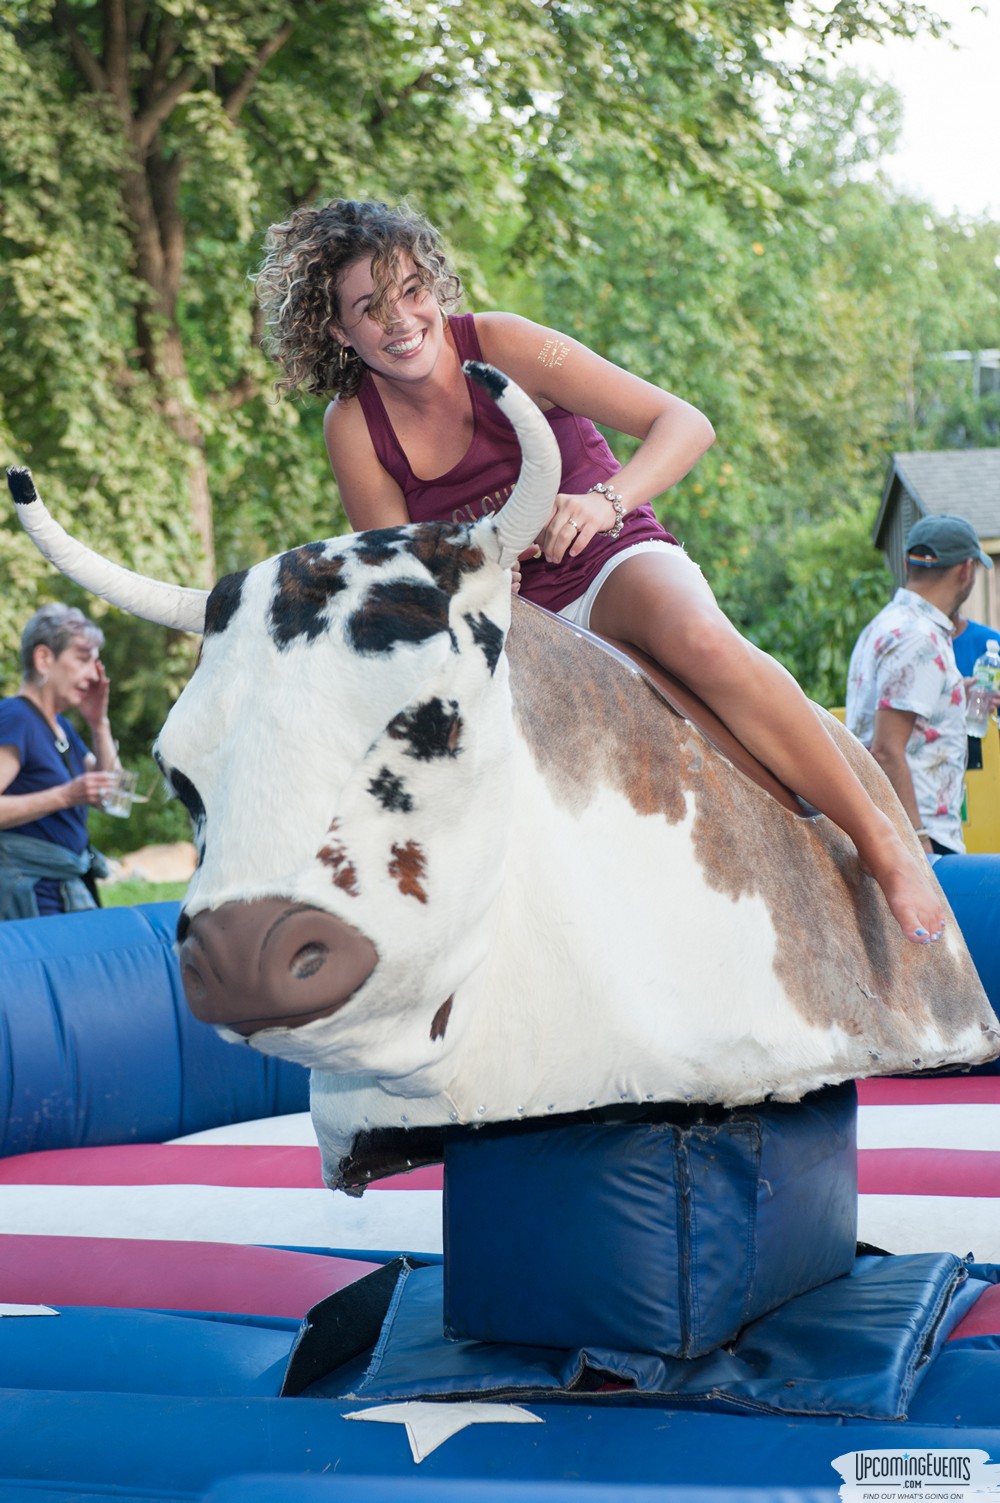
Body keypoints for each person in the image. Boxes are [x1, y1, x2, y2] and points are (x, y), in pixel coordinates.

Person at [255, 197, 948, 945]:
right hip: (510, 621)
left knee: (700, 640)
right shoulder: (353, 427)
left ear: (436, 286)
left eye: (412, 290)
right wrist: (465, 577)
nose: (399, 320)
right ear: (336, 330)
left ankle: (883, 843)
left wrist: (602, 502)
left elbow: (685, 423)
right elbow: (406, 570)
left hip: (610, 559)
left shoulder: (507, 344)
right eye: (369, 307)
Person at [846, 515, 995, 859]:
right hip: (919, 837)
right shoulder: (921, 639)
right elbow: (885, 749)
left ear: (906, 563)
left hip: (895, 828)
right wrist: (918, 840)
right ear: (966, 570)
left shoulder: (888, 624)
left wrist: (957, 696)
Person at [0, 603, 120, 919]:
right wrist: (66, 796)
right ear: (44, 659)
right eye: (83, 660)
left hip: (64, 889)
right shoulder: (16, 717)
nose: (95, 674)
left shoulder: (60, 724)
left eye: (96, 663)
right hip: (31, 896)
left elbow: (112, 795)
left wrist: (99, 723)